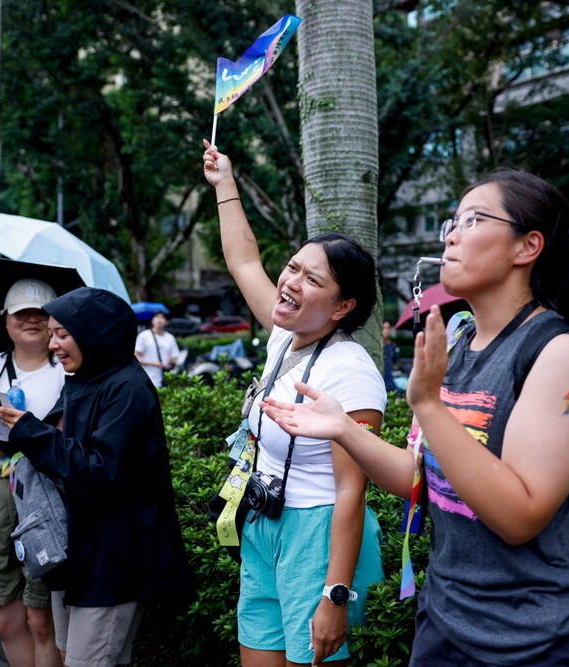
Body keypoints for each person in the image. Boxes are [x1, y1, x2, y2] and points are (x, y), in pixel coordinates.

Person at [261, 170, 569, 665]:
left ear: (527, 246)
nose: (451, 236)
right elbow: (419, 479)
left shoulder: (560, 354)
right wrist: (343, 429)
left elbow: (520, 517)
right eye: (451, 223)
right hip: (446, 622)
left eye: (473, 220)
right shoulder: (459, 349)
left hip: (544, 638)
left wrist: (430, 406)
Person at [203, 140, 386, 666]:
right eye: (292, 268)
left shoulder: (350, 371)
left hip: (316, 535)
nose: (289, 282)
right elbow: (243, 261)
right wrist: (225, 184)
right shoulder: (286, 336)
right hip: (263, 522)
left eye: (312, 279)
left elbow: (352, 490)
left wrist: (335, 595)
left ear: (342, 307)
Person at [0, 286, 192, 667]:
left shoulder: (128, 389)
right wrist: (11, 430)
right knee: (72, 655)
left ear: (94, 334)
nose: (53, 344)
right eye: (52, 334)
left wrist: (31, 433)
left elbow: (100, 471)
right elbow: (62, 448)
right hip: (77, 550)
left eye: (62, 334)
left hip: (114, 559)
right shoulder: (81, 378)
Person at [0, 278, 64, 667]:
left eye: (41, 313)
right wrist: (4, 446)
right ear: (6, 320)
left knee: (41, 619)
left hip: (49, 494)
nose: (32, 320)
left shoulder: (68, 367)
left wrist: (35, 441)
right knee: (4, 618)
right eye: (22, 313)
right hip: (0, 492)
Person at [134, 310, 180, 388]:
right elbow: (136, 356)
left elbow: (176, 357)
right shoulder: (144, 336)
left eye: (162, 317)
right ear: (152, 320)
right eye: (157, 317)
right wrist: (153, 364)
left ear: (166, 322)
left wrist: (172, 361)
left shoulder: (170, 338)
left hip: (164, 379)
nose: (159, 319)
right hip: (147, 378)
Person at [382, 320, 399, 394]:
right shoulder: (377, 347)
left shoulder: (392, 346)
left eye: (388, 328)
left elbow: (395, 361)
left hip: (390, 379)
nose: (386, 330)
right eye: (384, 328)